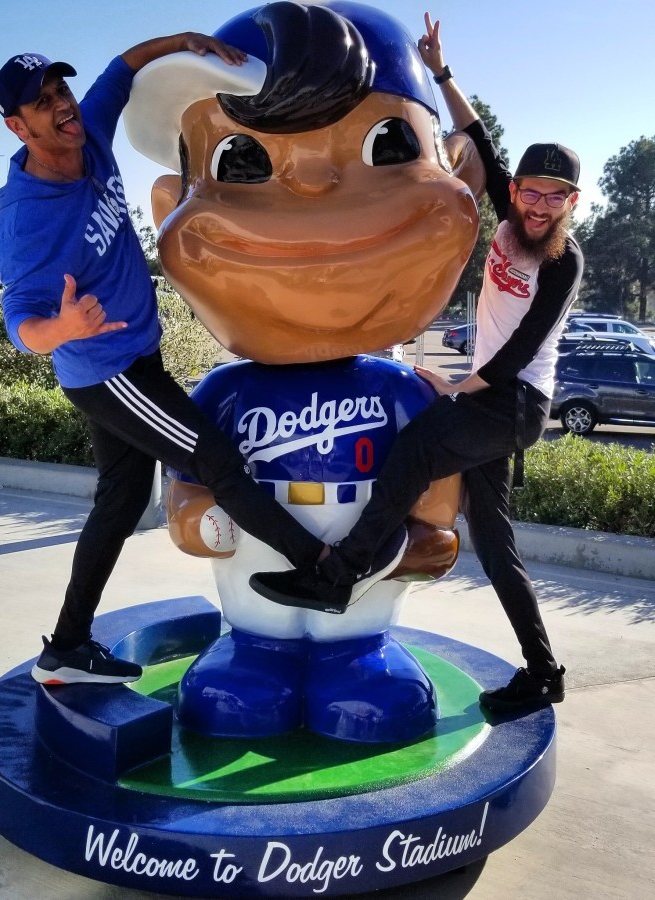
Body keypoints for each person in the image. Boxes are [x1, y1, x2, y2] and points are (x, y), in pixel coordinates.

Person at [250, 11, 584, 714]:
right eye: (530, 191)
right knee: (495, 546)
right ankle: (543, 672)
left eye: (555, 196)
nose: (539, 205)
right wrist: (441, 71)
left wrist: (458, 385)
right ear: (516, 190)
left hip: (514, 404)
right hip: (493, 401)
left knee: (415, 450)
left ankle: (340, 574)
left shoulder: (563, 260)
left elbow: (523, 349)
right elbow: (478, 138)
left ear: (571, 203)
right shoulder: (510, 217)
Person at [0, 33, 325, 687]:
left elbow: (123, 66)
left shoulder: (86, 130)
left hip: (131, 360)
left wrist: (192, 42)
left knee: (119, 503)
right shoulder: (25, 220)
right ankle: (322, 570)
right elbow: (19, 322)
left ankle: (66, 649)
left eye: (60, 89)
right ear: (17, 126)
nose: (62, 105)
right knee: (216, 460)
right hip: (110, 372)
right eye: (43, 102)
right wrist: (60, 328)